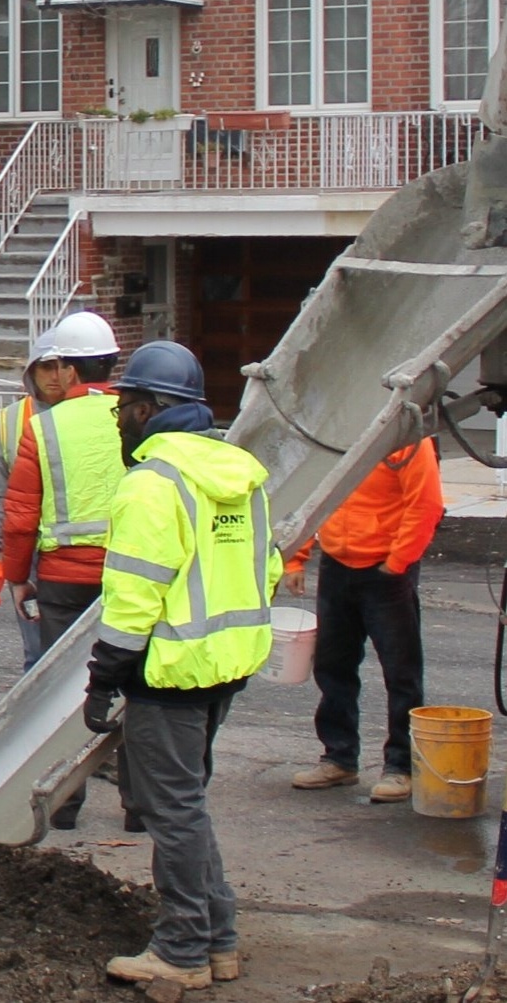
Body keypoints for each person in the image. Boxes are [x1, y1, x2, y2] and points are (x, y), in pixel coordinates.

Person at [84, 340, 281, 991]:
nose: (118, 421)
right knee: (187, 803)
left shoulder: (152, 484)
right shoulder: (242, 474)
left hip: (167, 675)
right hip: (225, 663)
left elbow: (133, 594)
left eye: (123, 409)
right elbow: (267, 568)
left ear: (147, 408)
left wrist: (105, 673)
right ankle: (218, 937)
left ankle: (182, 947)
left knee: (170, 809)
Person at [1, 310, 123, 826]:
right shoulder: (137, 418)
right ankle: (140, 806)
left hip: (63, 580)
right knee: (131, 688)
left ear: (70, 371)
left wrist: (14, 575)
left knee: (65, 696)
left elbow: (21, 516)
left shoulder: (43, 428)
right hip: (127, 578)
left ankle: (65, 802)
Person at [285, 438, 443, 803]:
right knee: (332, 666)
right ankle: (339, 758)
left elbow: (426, 505)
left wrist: (397, 563)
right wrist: (296, 557)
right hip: (338, 565)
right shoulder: (342, 436)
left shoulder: (408, 442)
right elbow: (314, 497)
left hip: (387, 572)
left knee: (401, 674)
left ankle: (401, 767)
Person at [0, 326, 62, 670]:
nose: (54, 376)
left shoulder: (93, 415)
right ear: (32, 372)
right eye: (46, 367)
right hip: (28, 553)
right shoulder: (12, 420)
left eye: (62, 366)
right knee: (37, 655)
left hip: (76, 552)